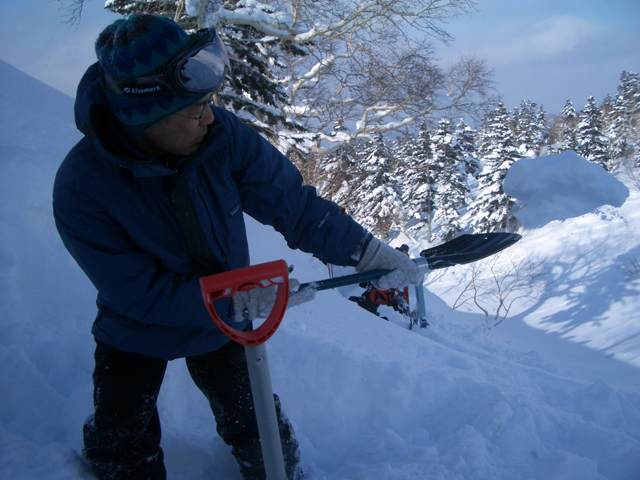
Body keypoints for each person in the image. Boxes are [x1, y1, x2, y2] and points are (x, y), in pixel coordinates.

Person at [53, 14, 423, 480]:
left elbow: (292, 204)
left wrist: (365, 252)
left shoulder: (220, 137)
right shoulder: (82, 187)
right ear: (144, 118)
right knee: (121, 442)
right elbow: (140, 294)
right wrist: (233, 299)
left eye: (208, 103)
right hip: (136, 328)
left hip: (225, 319)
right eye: (194, 111)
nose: (210, 117)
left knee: (258, 427)